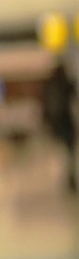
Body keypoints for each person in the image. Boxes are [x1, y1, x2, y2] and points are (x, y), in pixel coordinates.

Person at [42, 59, 77, 194]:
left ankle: (69, 177)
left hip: (57, 121)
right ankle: (70, 177)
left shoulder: (50, 83)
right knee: (69, 150)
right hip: (65, 120)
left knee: (66, 150)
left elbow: (45, 103)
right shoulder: (63, 83)